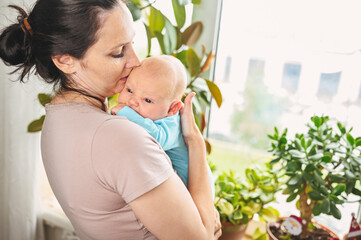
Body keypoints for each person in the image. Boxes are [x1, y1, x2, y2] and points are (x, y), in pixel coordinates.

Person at [0, 0, 222, 239]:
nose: (136, 61)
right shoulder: (120, 137)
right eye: (118, 52)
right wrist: (195, 143)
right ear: (65, 60)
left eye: (132, 43)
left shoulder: (56, 119)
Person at [111, 55, 215, 195]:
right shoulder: (146, 115)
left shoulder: (172, 123)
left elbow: (157, 138)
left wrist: (126, 113)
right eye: (129, 90)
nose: (132, 102)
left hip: (196, 188)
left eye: (147, 100)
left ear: (173, 108)